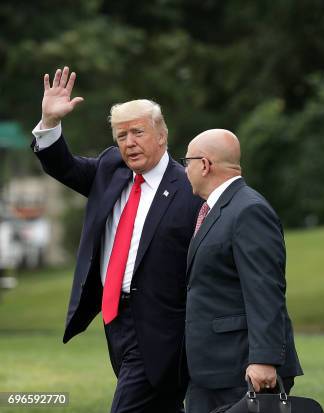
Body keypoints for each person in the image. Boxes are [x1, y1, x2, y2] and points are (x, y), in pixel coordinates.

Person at [31, 67, 202, 412]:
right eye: (122, 136)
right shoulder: (111, 170)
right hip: (115, 320)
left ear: (162, 135)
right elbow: (62, 165)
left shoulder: (190, 188)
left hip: (162, 326)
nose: (129, 143)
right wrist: (49, 122)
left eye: (138, 132)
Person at [181, 129, 303, 413]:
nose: (185, 169)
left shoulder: (248, 210)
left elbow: (265, 289)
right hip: (210, 368)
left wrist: (264, 359)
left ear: (204, 164)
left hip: (241, 369)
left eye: (186, 161)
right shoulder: (218, 209)